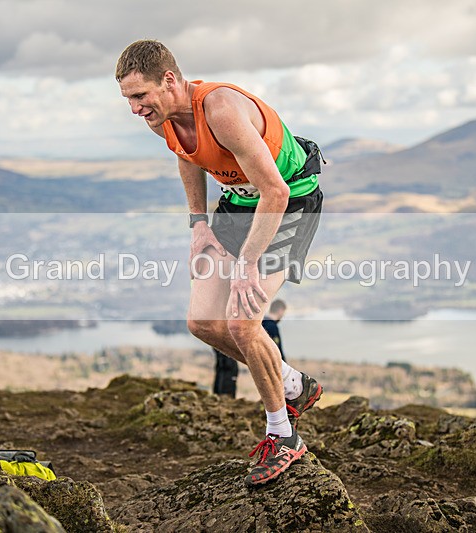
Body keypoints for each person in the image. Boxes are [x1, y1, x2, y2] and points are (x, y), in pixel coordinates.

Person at [116, 40, 324, 487]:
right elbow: (187, 158)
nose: (135, 109)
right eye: (128, 100)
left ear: (169, 79)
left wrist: (247, 263)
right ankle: (291, 382)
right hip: (238, 204)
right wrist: (197, 225)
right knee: (202, 321)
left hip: (288, 201)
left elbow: (277, 192)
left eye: (139, 96)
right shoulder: (163, 120)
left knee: (243, 323)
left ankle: (283, 436)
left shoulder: (221, 109)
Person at [213, 298, 287, 397]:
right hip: (266, 361)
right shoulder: (272, 327)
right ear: (280, 310)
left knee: (224, 367)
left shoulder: (260, 322)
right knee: (229, 368)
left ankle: (218, 397)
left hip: (221, 338)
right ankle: (225, 398)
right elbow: (276, 350)